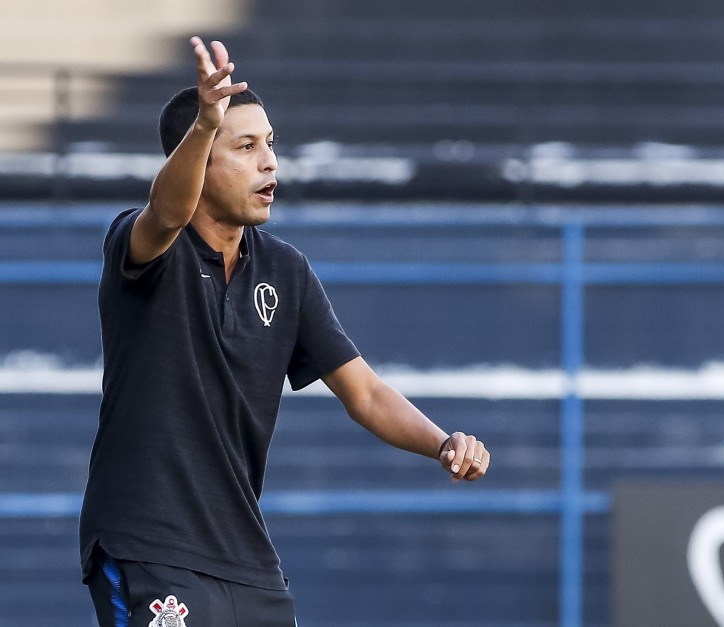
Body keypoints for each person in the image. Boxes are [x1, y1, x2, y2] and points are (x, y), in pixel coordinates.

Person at [79, 36, 490, 627]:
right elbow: (167, 213)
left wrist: (443, 442)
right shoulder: (144, 246)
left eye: (271, 145)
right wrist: (204, 123)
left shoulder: (285, 271)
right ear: (195, 161)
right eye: (246, 147)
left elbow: (367, 394)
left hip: (249, 565)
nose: (270, 162)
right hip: (148, 547)